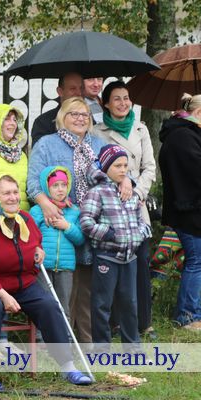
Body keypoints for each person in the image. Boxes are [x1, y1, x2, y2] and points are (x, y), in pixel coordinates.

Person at [0, 175, 92, 391]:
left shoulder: (24, 219)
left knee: (48, 304)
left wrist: (38, 249)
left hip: (19, 283)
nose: (13, 198)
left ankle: (67, 366)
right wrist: (1, 293)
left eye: (15, 192)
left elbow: (35, 239)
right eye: (6, 193)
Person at [27, 97, 106, 343]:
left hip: (93, 220)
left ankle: (85, 339)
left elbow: (116, 168)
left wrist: (126, 181)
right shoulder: (47, 144)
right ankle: (55, 338)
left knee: (88, 284)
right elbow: (32, 182)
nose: (80, 118)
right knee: (61, 283)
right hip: (59, 222)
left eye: (84, 114)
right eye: (74, 114)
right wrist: (46, 204)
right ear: (62, 116)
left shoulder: (99, 144)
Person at [93, 80, 157, 336]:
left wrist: (138, 191)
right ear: (106, 104)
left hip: (136, 204)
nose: (123, 103)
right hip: (110, 204)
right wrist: (121, 181)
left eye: (126, 98)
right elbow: (97, 166)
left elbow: (149, 167)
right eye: (116, 98)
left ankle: (144, 322)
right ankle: (116, 321)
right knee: (114, 263)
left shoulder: (141, 129)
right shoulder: (97, 131)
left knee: (141, 261)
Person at [80, 144, 150, 348]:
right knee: (102, 304)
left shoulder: (131, 192)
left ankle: (132, 348)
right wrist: (111, 235)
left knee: (130, 303)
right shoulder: (97, 193)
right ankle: (102, 349)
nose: (122, 170)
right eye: (117, 166)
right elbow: (86, 223)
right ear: (106, 166)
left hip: (130, 258)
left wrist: (137, 235)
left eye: (125, 166)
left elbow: (141, 222)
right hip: (106, 257)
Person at [158, 93, 201, 330]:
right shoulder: (183, 136)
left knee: (197, 261)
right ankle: (187, 316)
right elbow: (194, 173)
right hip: (189, 211)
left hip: (192, 209)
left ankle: (194, 313)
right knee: (196, 261)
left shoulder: (189, 133)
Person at [30, 167, 84, 321]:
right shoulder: (37, 211)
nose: (60, 189)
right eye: (55, 185)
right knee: (45, 304)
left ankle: (64, 334)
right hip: (43, 266)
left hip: (65, 267)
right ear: (46, 187)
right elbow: (30, 236)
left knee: (63, 305)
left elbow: (80, 239)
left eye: (63, 185)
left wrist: (67, 227)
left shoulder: (74, 211)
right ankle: (42, 335)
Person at [31, 72, 83, 146]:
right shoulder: (43, 122)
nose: (79, 93)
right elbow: (40, 150)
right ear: (60, 91)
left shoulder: (87, 119)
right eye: (73, 89)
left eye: (81, 88)